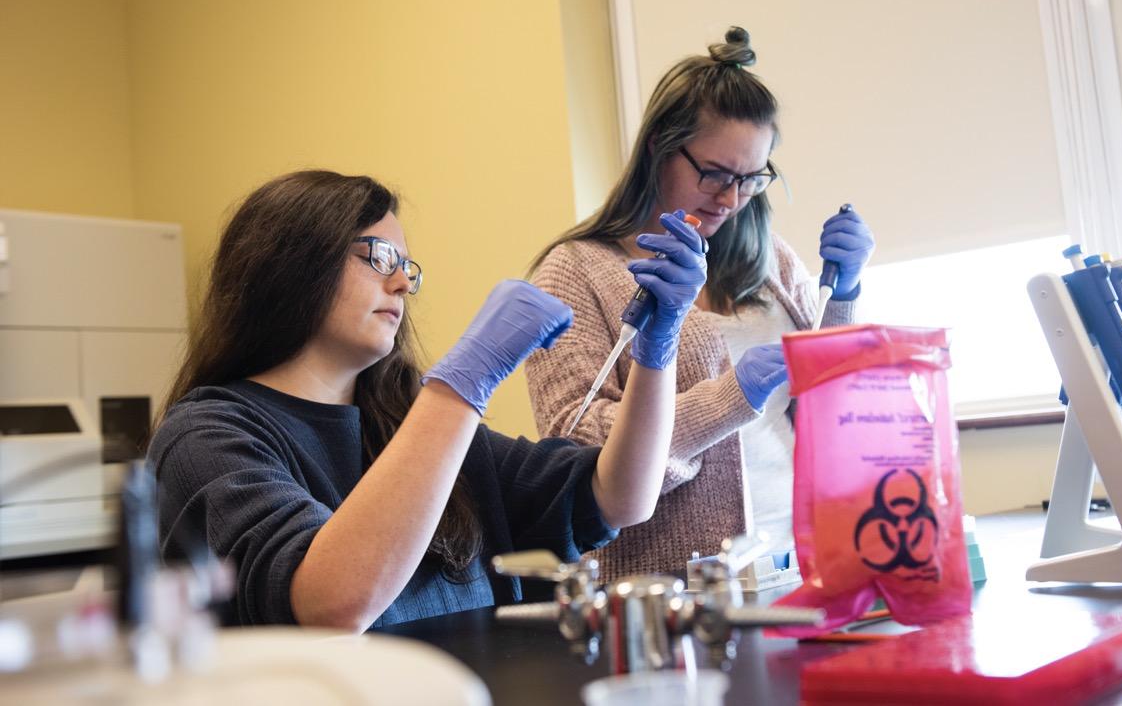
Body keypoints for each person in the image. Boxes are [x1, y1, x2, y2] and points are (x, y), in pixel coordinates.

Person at [146, 170, 706, 631]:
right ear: (290, 261)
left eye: (407, 268)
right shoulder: (206, 435)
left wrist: (658, 351)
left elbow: (622, 496)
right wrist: (464, 383)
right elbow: (329, 604)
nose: (403, 286)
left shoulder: (406, 422)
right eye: (380, 257)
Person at [527, 27, 875, 579]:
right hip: (678, 594)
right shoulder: (577, 272)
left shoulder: (772, 262)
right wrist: (729, 397)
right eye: (713, 174)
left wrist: (846, 297)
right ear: (657, 149)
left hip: (808, 564)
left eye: (750, 179)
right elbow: (577, 460)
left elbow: (835, 414)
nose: (731, 199)